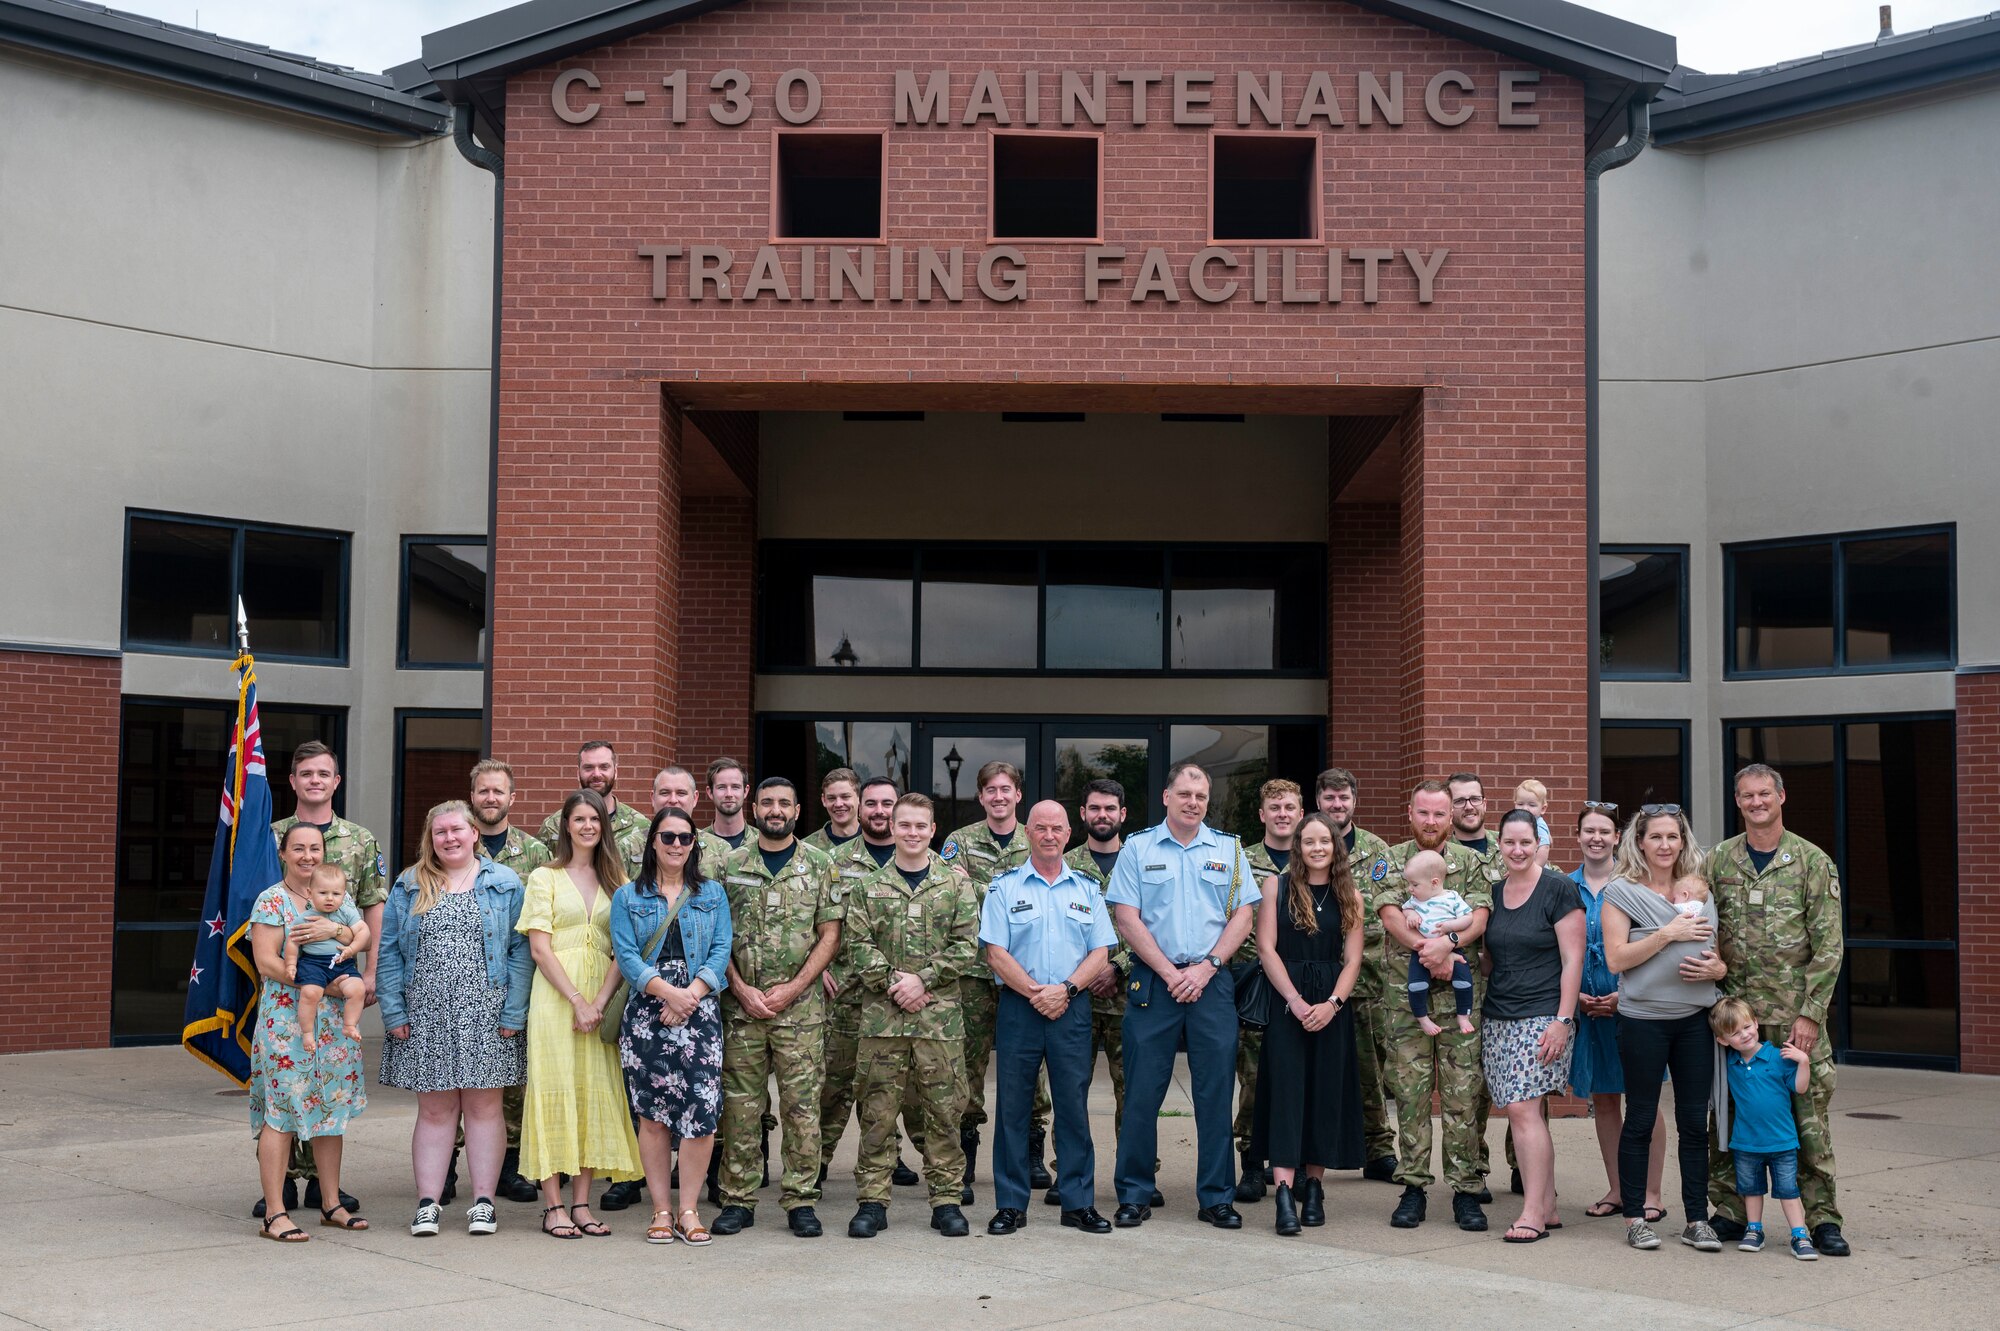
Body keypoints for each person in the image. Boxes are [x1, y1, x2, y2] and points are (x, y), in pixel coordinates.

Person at [1107, 761, 1257, 1230]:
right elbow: (1126, 917)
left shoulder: (1230, 850)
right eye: (1185, 793)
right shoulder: (1138, 847)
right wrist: (1172, 972)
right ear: (1167, 797)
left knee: (1215, 1095)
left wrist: (1208, 966)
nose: (1194, 802)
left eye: (1202, 796)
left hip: (1212, 983)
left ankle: (1216, 1197)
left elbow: (1243, 915)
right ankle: (1134, 1193)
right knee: (1141, 1094)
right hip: (1156, 981)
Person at [1706, 763, 1849, 1256]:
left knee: (1807, 1122)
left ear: (1781, 796)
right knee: (1728, 1117)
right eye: (1746, 795)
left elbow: (1829, 947)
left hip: (1793, 1020)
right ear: (1738, 800)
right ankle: (1728, 1211)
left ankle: (1822, 1219)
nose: (1756, 802)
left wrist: (1811, 1014)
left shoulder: (1812, 862)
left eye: (1764, 793)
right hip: (1737, 1020)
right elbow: (1700, 923)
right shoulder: (1719, 860)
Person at [377, 801, 532, 1237]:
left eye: (457, 830)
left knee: (485, 1108)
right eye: (440, 831)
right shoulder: (410, 884)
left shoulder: (504, 882)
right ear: (431, 837)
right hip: (427, 1012)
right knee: (434, 1111)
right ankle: (428, 1203)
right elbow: (388, 952)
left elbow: (520, 952)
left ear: (474, 834)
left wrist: (515, 1011)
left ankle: (484, 1203)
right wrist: (394, 1010)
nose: (449, 838)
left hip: (489, 1012)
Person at [843, 793, 980, 1239]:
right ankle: (872, 1201)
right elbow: (857, 948)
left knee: (943, 1113)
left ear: (932, 828)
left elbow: (966, 946)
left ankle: (946, 1201)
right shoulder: (868, 887)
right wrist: (894, 984)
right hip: (882, 1024)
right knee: (877, 1115)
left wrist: (922, 980)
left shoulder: (956, 885)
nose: (913, 833)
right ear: (894, 828)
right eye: (905, 825)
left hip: (938, 1025)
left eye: (921, 826)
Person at [712, 777, 841, 1238]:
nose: (774, 809)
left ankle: (801, 1200)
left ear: (798, 810)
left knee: (802, 1108)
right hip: (742, 1008)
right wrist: (741, 988)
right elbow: (715, 936)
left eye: (783, 802)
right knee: (741, 1108)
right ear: (753, 808)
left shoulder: (821, 864)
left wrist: (794, 987)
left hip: (800, 1012)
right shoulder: (729, 865)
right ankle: (738, 1199)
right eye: (766, 802)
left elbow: (830, 934)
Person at [980, 801, 1117, 1236]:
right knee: (1014, 1108)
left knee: (1074, 1107)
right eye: (1040, 827)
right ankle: (1010, 1204)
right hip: (1021, 1007)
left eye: (1057, 827)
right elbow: (995, 952)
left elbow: (1101, 951)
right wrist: (1036, 992)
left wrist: (1067, 990)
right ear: (1028, 833)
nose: (1049, 835)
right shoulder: (1003, 888)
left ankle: (1078, 1203)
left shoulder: (1087, 889)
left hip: (1071, 1006)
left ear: (1068, 832)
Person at [263, 740, 385, 1219]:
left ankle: (325, 1191)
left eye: (324, 774)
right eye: (305, 773)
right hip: (287, 983)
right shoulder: (267, 835)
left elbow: (372, 902)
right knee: (283, 1089)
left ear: (336, 782)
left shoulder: (359, 839)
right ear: (292, 782)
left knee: (328, 1087)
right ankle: (280, 1190)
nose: (315, 780)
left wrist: (369, 969)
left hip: (341, 973)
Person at [1602, 804, 1729, 1253]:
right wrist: (1666, 934)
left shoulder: (1697, 891)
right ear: (1639, 842)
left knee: (1695, 1123)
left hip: (1695, 1021)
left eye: (1672, 837)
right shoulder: (1621, 892)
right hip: (1643, 1023)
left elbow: (1718, 952)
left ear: (1683, 841)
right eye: (1655, 837)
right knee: (1639, 1119)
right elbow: (1617, 958)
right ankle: (1636, 1217)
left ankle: (1697, 1218)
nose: (1664, 845)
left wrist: (1719, 967)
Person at [519, 789, 643, 1238]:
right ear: (565, 825)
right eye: (579, 818)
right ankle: (553, 1206)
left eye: (594, 818)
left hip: (602, 997)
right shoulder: (544, 877)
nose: (587, 825)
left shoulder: (620, 883)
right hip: (556, 997)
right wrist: (576, 1000)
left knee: (593, 1094)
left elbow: (624, 951)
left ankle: (583, 1204)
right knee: (554, 1092)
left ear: (603, 826)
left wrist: (598, 1003)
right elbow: (538, 946)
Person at [1370, 780, 1492, 1231]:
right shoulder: (1392, 860)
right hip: (1407, 1002)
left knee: (1463, 1097)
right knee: (1411, 1097)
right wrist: (1429, 949)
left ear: (1451, 815)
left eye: (1440, 814)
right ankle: (1414, 1187)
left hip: (1462, 1001)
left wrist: (1450, 944)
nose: (1432, 821)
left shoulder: (1473, 862)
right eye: (1424, 813)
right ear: (1410, 812)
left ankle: (1466, 1190)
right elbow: (1387, 914)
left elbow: (1480, 917)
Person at [612, 806, 734, 1246]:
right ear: (652, 842)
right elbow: (626, 956)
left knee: (701, 1117)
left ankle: (689, 1209)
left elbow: (721, 950)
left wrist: (690, 997)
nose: (678, 845)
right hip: (648, 1012)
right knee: (654, 1117)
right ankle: (661, 1210)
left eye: (686, 838)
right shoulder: (628, 897)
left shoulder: (713, 894)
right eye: (668, 837)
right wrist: (668, 994)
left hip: (699, 1011)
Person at [247, 822, 369, 1241]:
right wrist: (324, 985)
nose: (307, 856)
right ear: (283, 853)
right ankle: (275, 1213)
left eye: (314, 848)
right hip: (287, 1024)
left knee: (330, 1111)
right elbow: (266, 962)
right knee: (281, 1112)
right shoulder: (272, 901)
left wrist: (336, 931)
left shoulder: (338, 897)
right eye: (297, 848)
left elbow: (360, 937)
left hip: (335, 1025)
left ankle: (331, 1204)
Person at [1252, 812, 1364, 1236]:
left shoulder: (1350, 893)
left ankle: (1313, 1186)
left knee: (1324, 1094)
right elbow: (1266, 948)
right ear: (1297, 847)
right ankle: (1283, 1193)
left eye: (1325, 841)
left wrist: (1333, 1003)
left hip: (1332, 1004)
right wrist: (1296, 1002)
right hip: (1288, 1003)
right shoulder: (1275, 887)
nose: (1317, 848)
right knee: (1286, 1094)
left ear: (1336, 847)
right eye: (1309, 841)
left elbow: (1353, 958)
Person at [942, 760, 1049, 1199]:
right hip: (971, 971)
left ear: (1018, 795)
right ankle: (964, 1156)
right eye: (991, 790)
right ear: (981, 796)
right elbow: (953, 894)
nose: (999, 797)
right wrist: (1003, 891)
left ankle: (1031, 1151)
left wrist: (982, 887)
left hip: (1025, 972)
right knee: (967, 1065)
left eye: (1007, 789)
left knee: (1032, 1065)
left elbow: (1039, 896)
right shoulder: (958, 842)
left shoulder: (1036, 838)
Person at [1479, 810, 1585, 1244]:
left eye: (1526, 842)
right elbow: (1491, 958)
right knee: (1526, 1112)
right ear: (1499, 844)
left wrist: (1563, 1020)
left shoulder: (1558, 888)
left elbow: (1573, 959)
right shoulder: (1495, 890)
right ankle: (1549, 1206)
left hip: (1543, 1014)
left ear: (1538, 842)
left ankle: (1531, 1213)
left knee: (1523, 1111)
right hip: (1498, 1015)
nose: (1518, 850)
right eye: (1509, 843)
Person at [1055, 779, 1159, 1209]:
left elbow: (1157, 924)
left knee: (1133, 1094)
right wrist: (1086, 973)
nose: (1102, 815)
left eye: (1110, 808)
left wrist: (1117, 966)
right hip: (1074, 999)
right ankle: (1069, 1175)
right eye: (1094, 808)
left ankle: (1137, 1180)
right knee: (1070, 1092)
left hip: (1128, 998)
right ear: (1082, 814)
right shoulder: (1062, 863)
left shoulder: (1142, 862)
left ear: (1123, 814)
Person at [819, 777, 923, 1188]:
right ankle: (819, 1162)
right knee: (834, 1084)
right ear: (861, 809)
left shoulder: (928, 863)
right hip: (845, 993)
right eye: (872, 804)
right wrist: (818, 964)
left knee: (894, 1083)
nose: (879, 811)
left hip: (902, 998)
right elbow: (816, 919)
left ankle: (889, 1156)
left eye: (888, 804)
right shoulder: (835, 862)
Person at [1568, 802, 1667, 1222]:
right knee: (1605, 1100)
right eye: (1588, 831)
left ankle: (1651, 1192)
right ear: (1578, 837)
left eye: (1604, 831)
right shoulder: (1562, 887)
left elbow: (1653, 949)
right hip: (1586, 1011)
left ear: (1617, 838)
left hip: (1635, 1007)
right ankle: (1618, 1188)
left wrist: (1622, 996)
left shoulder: (1635, 886)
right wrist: (1574, 998)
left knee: (1645, 1100)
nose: (1596, 838)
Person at [468, 757, 551, 1204]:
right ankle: (446, 1165)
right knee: (458, 1073)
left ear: (512, 799)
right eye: (484, 791)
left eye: (499, 791)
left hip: (518, 978)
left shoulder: (535, 854)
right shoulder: (454, 843)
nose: (491, 798)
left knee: (513, 1074)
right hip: (461, 980)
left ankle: (510, 1166)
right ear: (473, 797)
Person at [1317, 767, 1397, 1183]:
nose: (1337, 805)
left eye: (1344, 797)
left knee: (1370, 1069)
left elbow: (1385, 915)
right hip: (1312, 981)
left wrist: (1351, 958)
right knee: (1314, 1068)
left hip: (1367, 982)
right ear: (1319, 801)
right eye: (1330, 798)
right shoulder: (1307, 843)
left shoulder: (1374, 849)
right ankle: (1306, 1147)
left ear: (1354, 801)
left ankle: (1378, 1147)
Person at [1235, 778, 1304, 1202]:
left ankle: (1292, 1164)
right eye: (1274, 807)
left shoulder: (1316, 860)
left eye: (1289, 807)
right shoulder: (1240, 862)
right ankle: (1250, 1163)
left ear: (1300, 813)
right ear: (1262, 815)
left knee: (1296, 1078)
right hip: (1255, 983)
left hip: (1303, 983)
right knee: (1253, 1077)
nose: (1282, 814)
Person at [1710, 997, 1819, 1260]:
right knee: (1751, 1189)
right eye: (1735, 1033)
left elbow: (1800, 1087)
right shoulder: (1730, 1065)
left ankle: (1799, 1234)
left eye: (1747, 1027)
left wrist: (1803, 1062)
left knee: (1788, 1190)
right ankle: (1754, 1229)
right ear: (1723, 1041)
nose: (1744, 1035)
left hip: (1782, 1141)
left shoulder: (1778, 1057)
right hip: (1746, 1143)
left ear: (1756, 1023)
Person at [287, 864, 369, 1055]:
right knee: (310, 993)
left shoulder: (347, 912)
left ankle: (349, 1024)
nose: (330, 898)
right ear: (310, 892)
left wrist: (352, 948)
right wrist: (291, 964)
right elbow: (293, 941)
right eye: (323, 892)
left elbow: (364, 933)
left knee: (358, 989)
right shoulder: (306, 918)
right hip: (313, 963)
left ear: (343, 894)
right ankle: (307, 1033)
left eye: (336, 893)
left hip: (342, 961)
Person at [536, 741, 650, 877]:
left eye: (604, 767)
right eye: (588, 768)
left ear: (615, 771)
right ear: (578, 773)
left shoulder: (642, 827)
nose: (596, 774)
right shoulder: (553, 826)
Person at [1397, 850, 1478, 1036]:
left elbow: (1468, 918)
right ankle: (1422, 1018)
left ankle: (1463, 1016)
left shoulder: (1452, 898)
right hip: (1421, 953)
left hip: (1453, 950)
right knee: (1416, 985)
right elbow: (1405, 910)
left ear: (1434, 883)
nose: (1410, 888)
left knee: (1464, 982)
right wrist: (1411, 915)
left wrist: (1450, 927)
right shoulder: (1415, 900)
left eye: (1414, 884)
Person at [803, 767, 863, 854]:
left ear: (860, 798)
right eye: (831, 798)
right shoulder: (806, 848)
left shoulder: (878, 842)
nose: (838, 804)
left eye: (845, 797)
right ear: (824, 800)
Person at [705, 757, 752, 852]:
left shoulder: (762, 842)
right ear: (710, 792)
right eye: (721, 787)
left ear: (745, 791)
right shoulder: (695, 843)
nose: (729, 794)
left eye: (735, 787)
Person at [1513, 779, 1554, 869]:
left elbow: (1544, 849)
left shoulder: (1538, 825)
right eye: (1520, 804)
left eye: (1532, 805)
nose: (1525, 808)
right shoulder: (1519, 824)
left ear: (1543, 809)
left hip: (1537, 872)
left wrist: (1533, 870)